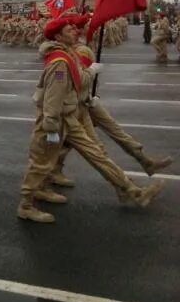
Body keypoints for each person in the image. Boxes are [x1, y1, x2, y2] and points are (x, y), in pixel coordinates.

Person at [17, 16, 164, 223]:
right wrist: (50, 127)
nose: (74, 31)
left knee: (97, 154)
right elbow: (53, 97)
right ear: (58, 36)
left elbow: (77, 82)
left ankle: (130, 190)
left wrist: (89, 77)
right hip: (56, 120)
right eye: (69, 30)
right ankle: (25, 205)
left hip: (69, 118)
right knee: (41, 163)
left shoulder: (67, 54)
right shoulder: (59, 62)